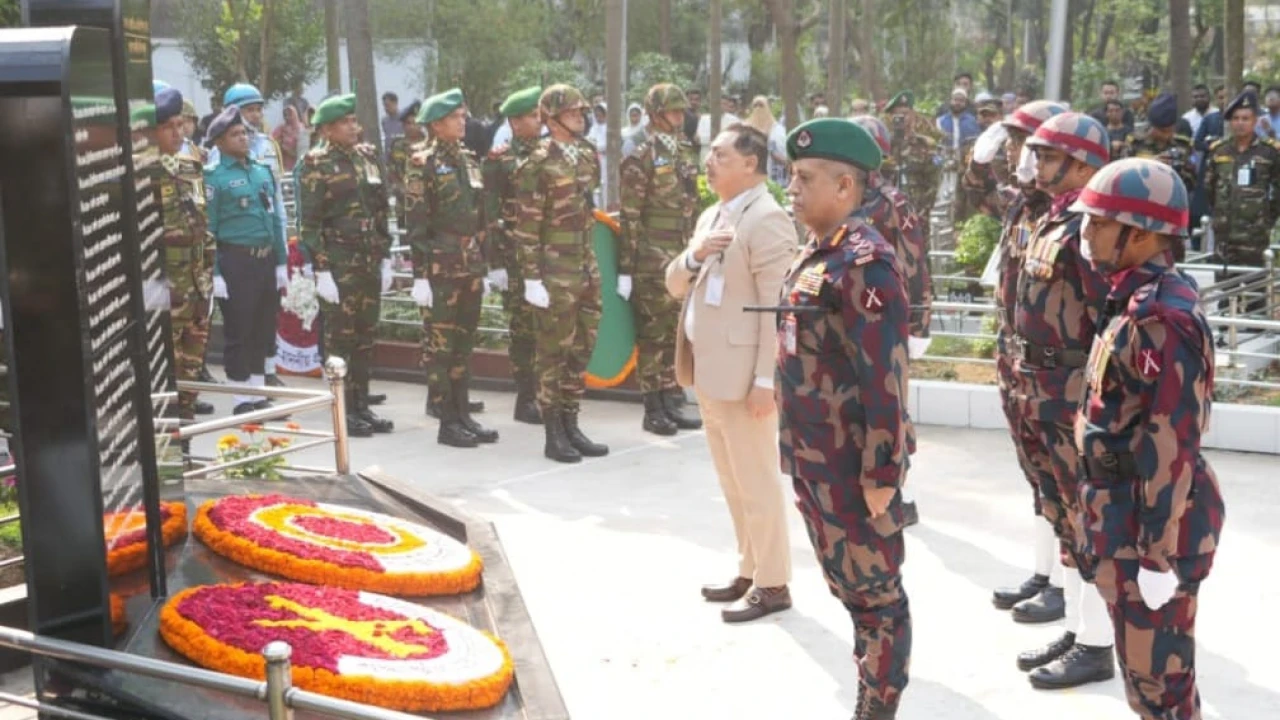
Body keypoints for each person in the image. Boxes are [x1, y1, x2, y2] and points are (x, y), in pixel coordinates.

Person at [1071, 158, 1225, 720]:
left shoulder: (1165, 317)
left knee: (1162, 689)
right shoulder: (1132, 298)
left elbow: (1173, 442)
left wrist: (1158, 554)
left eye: (1098, 224)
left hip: (1152, 531)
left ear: (1141, 233)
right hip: (1121, 520)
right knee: (1146, 681)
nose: (1085, 235)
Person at [777, 118, 911, 719]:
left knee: (877, 597)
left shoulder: (864, 265)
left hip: (851, 467)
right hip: (814, 458)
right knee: (850, 590)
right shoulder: (817, 253)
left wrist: (882, 474)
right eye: (791, 176)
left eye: (805, 178)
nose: (793, 188)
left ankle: (878, 707)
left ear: (845, 188)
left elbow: (886, 382)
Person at [665, 124, 797, 623]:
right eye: (709, 153)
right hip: (710, 373)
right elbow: (675, 284)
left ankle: (774, 582)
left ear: (751, 163)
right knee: (733, 481)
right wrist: (695, 255)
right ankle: (750, 567)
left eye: (719, 154)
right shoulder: (714, 214)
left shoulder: (767, 219)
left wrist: (767, 380)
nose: (708, 161)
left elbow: (776, 309)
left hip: (746, 381)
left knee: (758, 482)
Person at [1015, 112, 1116, 690]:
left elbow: (1107, 314)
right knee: (1062, 513)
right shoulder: (1056, 217)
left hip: (1074, 390)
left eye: (1048, 156)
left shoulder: (1090, 225)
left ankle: (1098, 644)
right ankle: (1080, 629)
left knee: (1087, 519)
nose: (1037, 165)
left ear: (1080, 164)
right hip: (1044, 389)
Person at [986, 100, 1068, 624]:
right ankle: (1045, 572)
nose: (1016, 153)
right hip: (1018, 363)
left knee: (1062, 484)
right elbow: (980, 196)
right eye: (1014, 143)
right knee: (1038, 479)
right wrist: (982, 159)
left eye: (1024, 143)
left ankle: (1065, 583)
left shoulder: (1069, 214)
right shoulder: (1026, 205)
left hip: (1053, 371)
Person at [511, 84, 607, 463]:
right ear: (551, 119)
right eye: (571, 113)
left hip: (584, 265)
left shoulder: (585, 153)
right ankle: (553, 432)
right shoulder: (535, 162)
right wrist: (531, 278)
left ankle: (571, 422)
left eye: (581, 113)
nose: (579, 118)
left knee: (581, 349)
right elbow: (527, 226)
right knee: (553, 352)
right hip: (554, 269)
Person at [850, 114, 932, 528]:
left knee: (891, 407)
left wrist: (920, 322)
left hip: (887, 319)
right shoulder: (844, 196)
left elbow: (915, 261)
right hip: (848, 320)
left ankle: (898, 492)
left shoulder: (892, 202)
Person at [298, 93, 396, 436]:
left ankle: (362, 405)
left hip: (368, 259)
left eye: (354, 120)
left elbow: (381, 207)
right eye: (345, 122)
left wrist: (386, 255)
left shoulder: (367, 156)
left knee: (366, 337)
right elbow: (310, 223)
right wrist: (322, 269)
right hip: (339, 262)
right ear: (326, 129)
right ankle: (342, 410)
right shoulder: (315, 163)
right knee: (341, 338)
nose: (353, 127)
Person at [403, 89, 497, 448]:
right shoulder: (421, 162)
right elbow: (417, 222)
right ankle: (446, 422)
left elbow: (481, 217)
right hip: (440, 267)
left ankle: (462, 414)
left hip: (468, 263)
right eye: (457, 116)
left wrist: (484, 265)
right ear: (437, 123)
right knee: (440, 348)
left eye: (463, 115)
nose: (464, 120)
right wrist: (420, 275)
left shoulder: (469, 160)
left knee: (463, 345)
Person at [617, 83, 703, 435]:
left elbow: (691, 203)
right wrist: (627, 267)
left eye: (682, 111)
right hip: (652, 255)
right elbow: (630, 214)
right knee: (652, 335)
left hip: (681, 253)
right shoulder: (641, 154)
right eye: (673, 112)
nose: (680, 117)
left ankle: (672, 396)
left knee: (674, 330)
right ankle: (653, 406)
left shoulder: (683, 149)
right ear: (655, 115)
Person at [204, 105, 289, 415]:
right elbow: (208, 230)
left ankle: (257, 393)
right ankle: (242, 399)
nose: (243, 138)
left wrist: (281, 262)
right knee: (239, 330)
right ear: (219, 142)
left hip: (264, 259)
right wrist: (215, 273)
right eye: (235, 134)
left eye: (244, 133)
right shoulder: (214, 178)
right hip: (235, 261)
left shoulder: (260, 171)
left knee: (263, 329)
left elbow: (275, 220)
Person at [151, 89, 215, 420]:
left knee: (189, 381)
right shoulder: (139, 172)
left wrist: (208, 277)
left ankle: (186, 450)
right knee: (162, 382)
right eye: (168, 127)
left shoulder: (191, 166)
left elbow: (203, 229)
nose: (178, 133)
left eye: (180, 125)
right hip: (162, 297)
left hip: (196, 293)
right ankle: (168, 459)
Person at [484, 86, 545, 426]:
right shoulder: (500, 160)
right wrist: (495, 264)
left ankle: (546, 394)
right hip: (515, 256)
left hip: (547, 254)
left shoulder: (551, 154)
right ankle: (526, 399)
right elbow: (490, 215)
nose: (540, 121)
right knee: (523, 330)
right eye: (533, 116)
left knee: (548, 329)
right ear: (515, 122)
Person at [1204, 90, 1280, 272]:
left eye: (1245, 119)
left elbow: (1278, 190)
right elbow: (1210, 188)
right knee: (1225, 291)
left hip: (1255, 235)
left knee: (1256, 293)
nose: (1240, 123)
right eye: (1236, 119)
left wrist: (1267, 219)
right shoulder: (1219, 150)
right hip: (1225, 235)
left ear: (1255, 121)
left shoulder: (1269, 152)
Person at [882, 91, 941, 238]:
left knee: (918, 254)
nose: (901, 119)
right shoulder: (882, 146)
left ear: (913, 115)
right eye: (896, 115)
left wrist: (923, 211)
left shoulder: (924, 145)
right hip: (886, 213)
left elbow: (933, 182)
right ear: (889, 118)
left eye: (905, 114)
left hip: (916, 211)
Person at [1123, 93, 1196, 194]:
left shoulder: (1183, 145)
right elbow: (1123, 174)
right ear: (1151, 127)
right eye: (1161, 131)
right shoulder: (1135, 142)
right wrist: (1150, 165)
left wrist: (1175, 170)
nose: (1166, 136)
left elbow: (1193, 181)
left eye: (1169, 131)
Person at [272, 105, 307, 174]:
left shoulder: (301, 129)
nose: (287, 117)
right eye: (285, 115)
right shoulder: (281, 128)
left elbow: (304, 150)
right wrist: (279, 146)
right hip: (284, 168)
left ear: (295, 114)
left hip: (299, 166)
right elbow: (271, 142)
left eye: (290, 115)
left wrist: (288, 150)